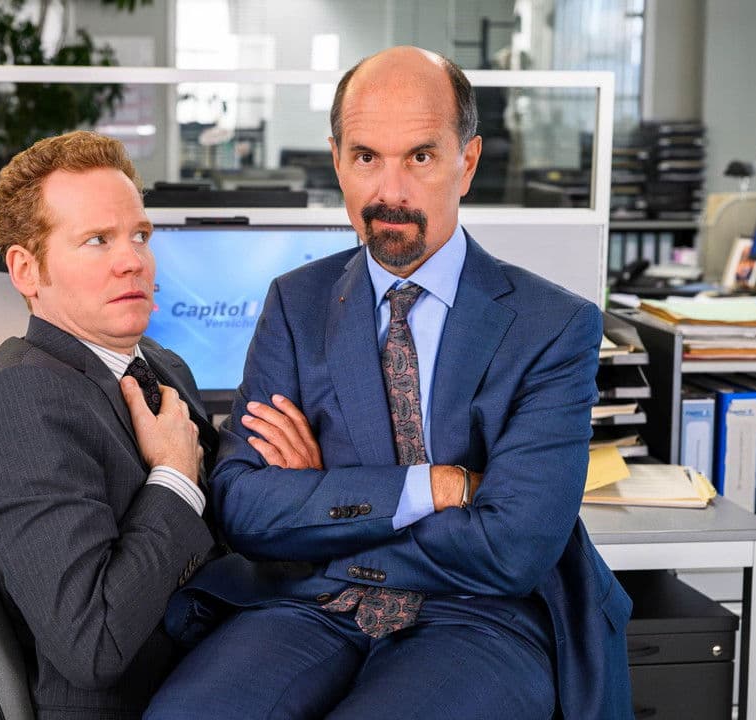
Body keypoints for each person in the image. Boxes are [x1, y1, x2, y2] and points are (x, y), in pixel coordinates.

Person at [148, 46, 633, 719]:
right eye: (366, 157)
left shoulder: (551, 326)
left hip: (480, 615)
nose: (390, 192)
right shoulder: (296, 303)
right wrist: (436, 488)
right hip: (312, 605)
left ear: (467, 161)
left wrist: (325, 502)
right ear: (337, 160)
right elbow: (246, 509)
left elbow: (513, 547)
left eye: (421, 157)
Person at [0, 131, 232, 718]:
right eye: (97, 240)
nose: (133, 260)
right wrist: (175, 478)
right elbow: (93, 643)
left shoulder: (159, 364)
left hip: (220, 661)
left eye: (140, 236)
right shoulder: (23, 402)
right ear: (27, 270)